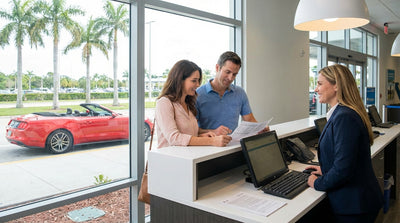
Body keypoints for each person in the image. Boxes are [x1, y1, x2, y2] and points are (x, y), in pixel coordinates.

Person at [305, 64, 383, 222]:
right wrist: (325, 168)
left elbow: (343, 170)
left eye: (320, 84)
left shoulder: (344, 117)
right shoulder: (343, 113)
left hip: (355, 205)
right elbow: (346, 159)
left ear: (336, 86)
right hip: (357, 200)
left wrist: (317, 183)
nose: (316, 89)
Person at [155, 60, 232, 149]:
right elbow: (174, 138)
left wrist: (209, 133)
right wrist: (212, 141)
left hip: (187, 158)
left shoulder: (188, 103)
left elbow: (189, 131)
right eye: (194, 81)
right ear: (180, 80)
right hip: (169, 160)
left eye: (198, 80)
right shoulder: (164, 103)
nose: (198, 84)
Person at [196, 51, 268, 136]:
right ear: (217, 68)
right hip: (208, 146)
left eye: (234, 74)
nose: (230, 78)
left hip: (233, 145)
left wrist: (260, 128)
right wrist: (213, 131)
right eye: (227, 72)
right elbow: (192, 129)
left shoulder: (240, 93)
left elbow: (249, 119)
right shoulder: (198, 94)